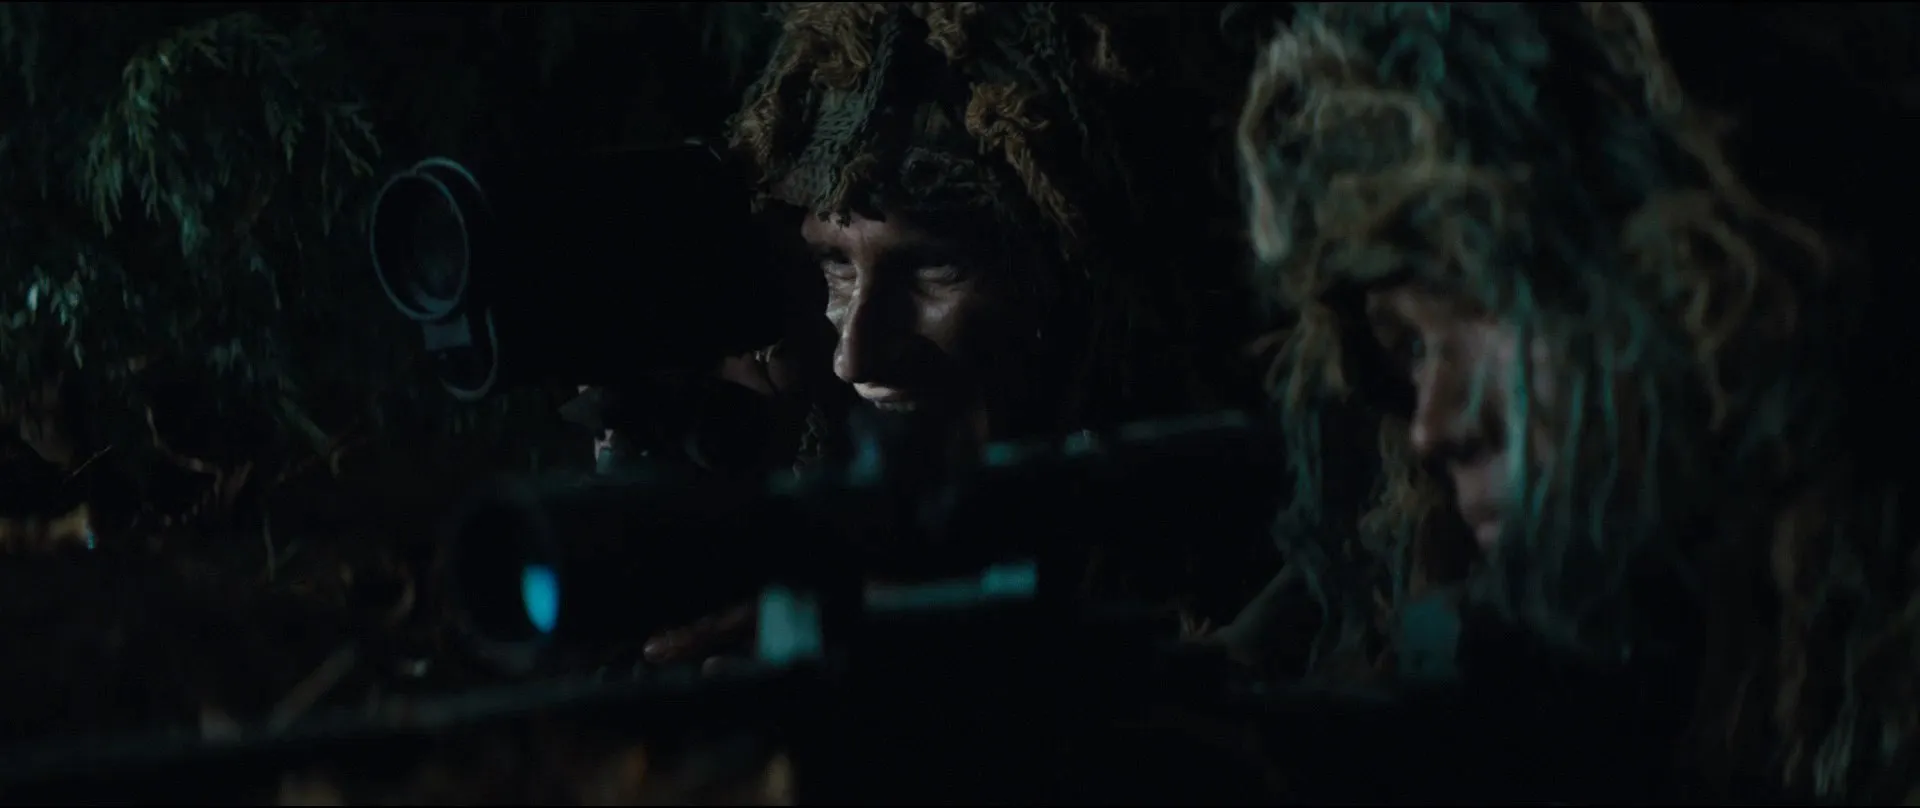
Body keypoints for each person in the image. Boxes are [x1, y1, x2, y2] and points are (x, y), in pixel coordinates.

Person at [1221, 2, 1915, 802]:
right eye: (1411, 348)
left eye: (1481, 301)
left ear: (1677, 273)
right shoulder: (1616, 640)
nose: (1431, 427)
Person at [640, 2, 1273, 667]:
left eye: (933, 268)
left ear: (1078, 279)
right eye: (835, 266)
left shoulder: (1272, 557)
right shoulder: (805, 540)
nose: (854, 356)